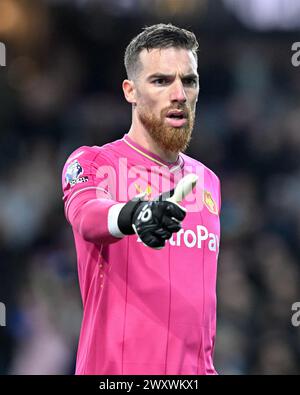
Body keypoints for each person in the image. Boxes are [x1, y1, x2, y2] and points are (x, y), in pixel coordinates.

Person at [62, 23, 221, 375]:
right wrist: (134, 215)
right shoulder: (94, 163)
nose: (179, 93)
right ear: (130, 91)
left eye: (189, 81)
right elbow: (88, 216)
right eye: (161, 81)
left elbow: (199, 318)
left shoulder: (208, 182)